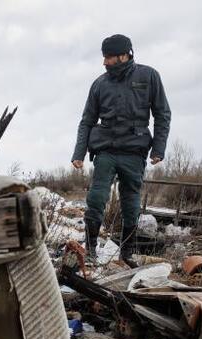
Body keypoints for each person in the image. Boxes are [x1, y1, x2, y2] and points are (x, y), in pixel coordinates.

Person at [71, 34, 171, 265]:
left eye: (109, 57)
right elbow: (87, 120)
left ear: (125, 55)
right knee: (96, 198)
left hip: (134, 151)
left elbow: (162, 114)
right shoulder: (99, 84)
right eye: (103, 57)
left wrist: (158, 148)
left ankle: (126, 253)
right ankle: (92, 249)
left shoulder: (149, 76)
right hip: (106, 149)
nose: (105, 62)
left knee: (131, 204)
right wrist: (78, 153)